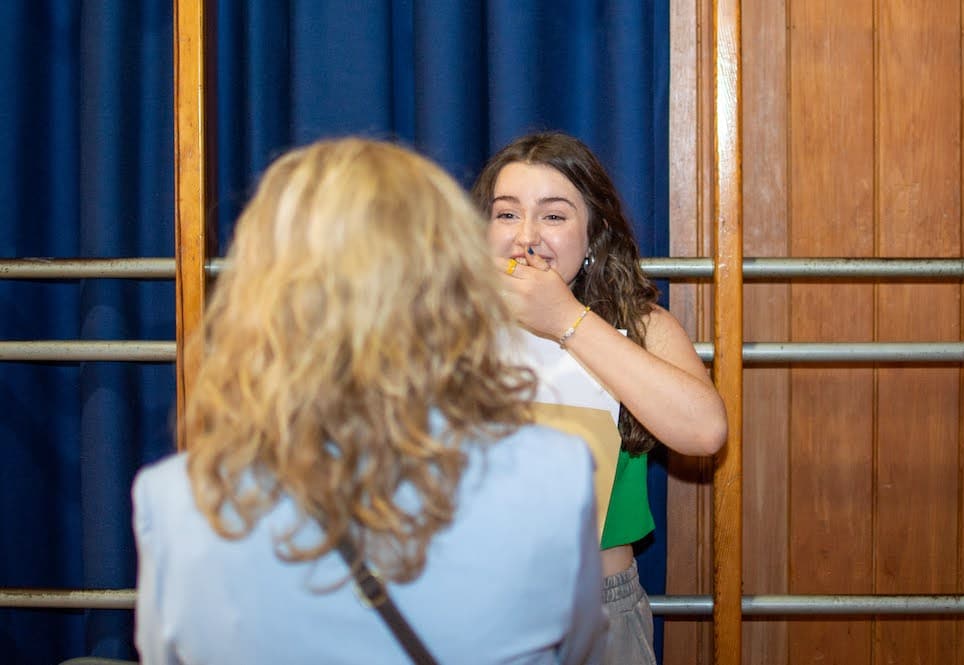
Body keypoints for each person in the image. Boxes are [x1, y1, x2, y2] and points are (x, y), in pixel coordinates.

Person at [132, 138, 608, 665]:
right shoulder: (556, 477)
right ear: (451, 278)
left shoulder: (176, 502)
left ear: (260, 290)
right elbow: (579, 650)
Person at [472, 131, 728, 665]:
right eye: (507, 214)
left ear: (593, 234)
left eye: (554, 216)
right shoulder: (445, 324)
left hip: (601, 608)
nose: (527, 236)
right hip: (477, 603)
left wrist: (565, 319)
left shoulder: (640, 324)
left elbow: (704, 433)